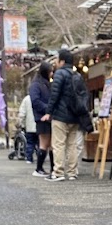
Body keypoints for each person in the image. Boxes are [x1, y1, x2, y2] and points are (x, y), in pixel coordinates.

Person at [42, 49, 81, 182]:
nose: (56, 62)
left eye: (57, 59)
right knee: (72, 144)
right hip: (74, 116)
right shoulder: (77, 75)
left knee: (59, 144)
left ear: (62, 61)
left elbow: (55, 95)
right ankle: (72, 172)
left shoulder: (59, 74)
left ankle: (58, 172)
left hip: (60, 115)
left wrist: (49, 112)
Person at [29, 61, 53, 177]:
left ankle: (53, 168)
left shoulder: (46, 84)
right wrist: (47, 108)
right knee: (44, 143)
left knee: (51, 144)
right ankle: (39, 168)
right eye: (50, 71)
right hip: (41, 117)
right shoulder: (36, 85)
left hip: (48, 117)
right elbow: (35, 101)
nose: (52, 74)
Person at [16, 91, 38, 164]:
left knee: (30, 143)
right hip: (40, 126)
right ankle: (40, 157)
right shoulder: (41, 97)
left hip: (29, 126)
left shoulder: (27, 99)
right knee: (40, 144)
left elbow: (22, 113)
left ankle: (29, 158)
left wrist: (20, 123)